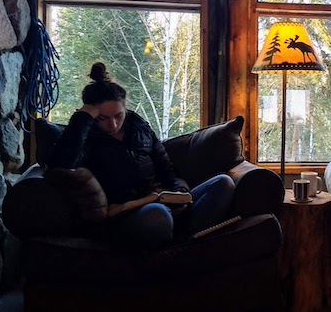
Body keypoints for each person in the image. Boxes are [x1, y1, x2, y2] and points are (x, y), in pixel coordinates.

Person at [46, 62, 235, 249]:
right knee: (157, 215)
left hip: (160, 199)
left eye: (118, 115)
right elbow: (60, 165)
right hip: (125, 215)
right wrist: (82, 119)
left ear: (125, 109)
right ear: (92, 114)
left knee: (223, 183)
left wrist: (180, 192)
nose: (113, 125)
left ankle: (179, 241)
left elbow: (167, 170)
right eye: (102, 118)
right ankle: (180, 242)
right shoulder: (84, 137)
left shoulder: (140, 129)